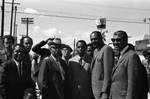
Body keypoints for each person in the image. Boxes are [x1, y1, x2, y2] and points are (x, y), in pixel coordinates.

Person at [109, 30, 147, 99]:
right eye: (113, 40)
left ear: (125, 40)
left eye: (118, 40)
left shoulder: (132, 56)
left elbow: (133, 84)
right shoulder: (121, 55)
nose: (115, 43)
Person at [90, 31, 114, 99]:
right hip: (95, 90)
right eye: (91, 39)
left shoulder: (106, 49)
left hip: (102, 92)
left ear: (101, 38)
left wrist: (105, 92)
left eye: (95, 39)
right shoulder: (95, 51)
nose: (93, 41)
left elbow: (108, 73)